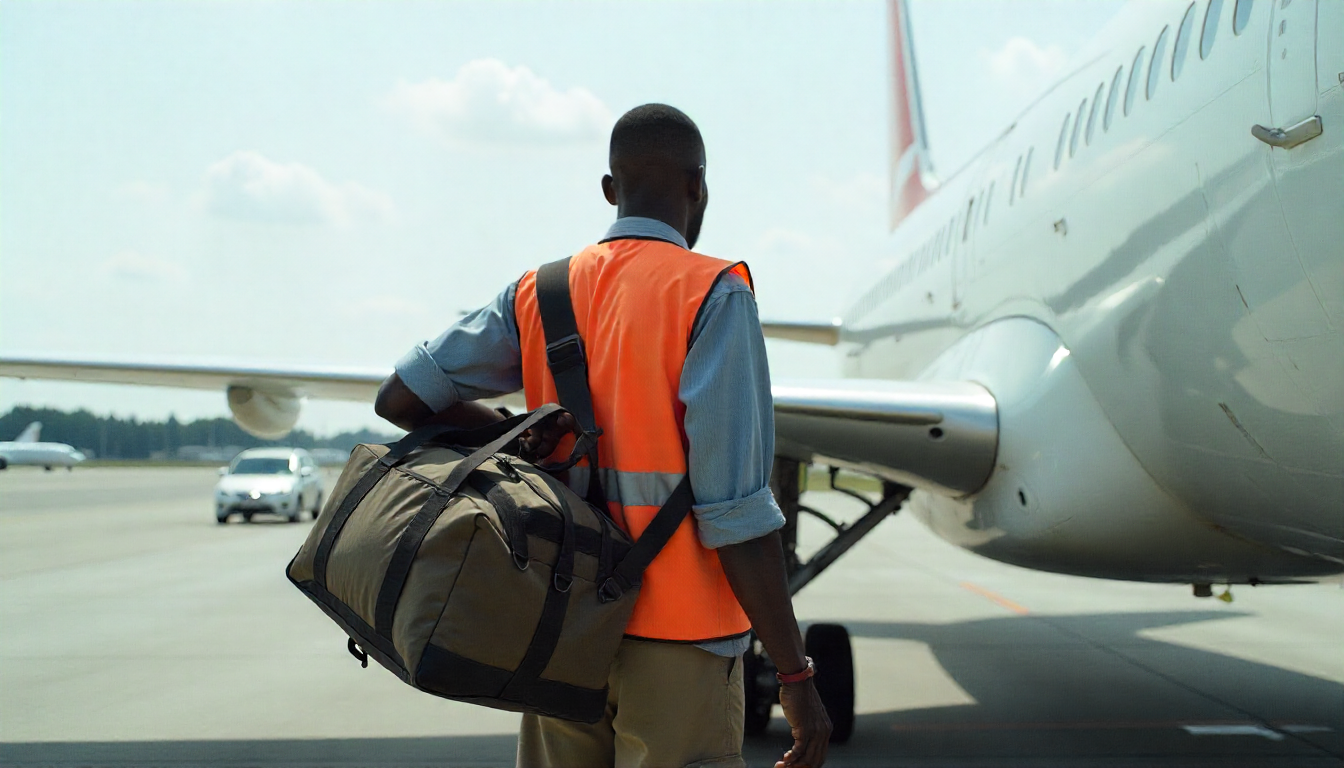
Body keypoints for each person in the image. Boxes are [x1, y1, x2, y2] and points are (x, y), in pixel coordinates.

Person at [374, 103, 830, 768]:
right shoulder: (712, 292)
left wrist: (506, 430)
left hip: (560, 631)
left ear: (610, 191)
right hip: (682, 639)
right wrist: (795, 676)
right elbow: (735, 514)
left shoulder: (538, 291)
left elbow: (400, 398)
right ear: (697, 187)